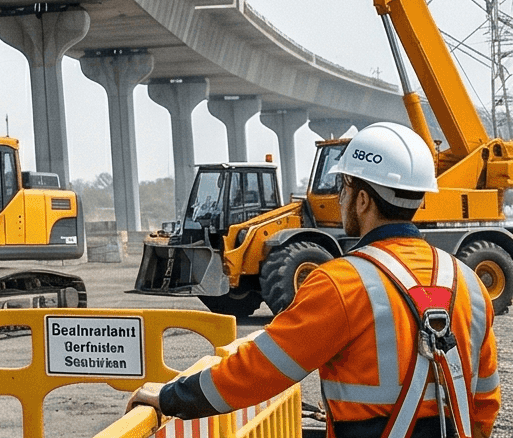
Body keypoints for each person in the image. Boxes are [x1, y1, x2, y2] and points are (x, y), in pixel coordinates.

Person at [128, 122, 498, 438]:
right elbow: (484, 403)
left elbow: (258, 372)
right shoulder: (469, 283)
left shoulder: (341, 283)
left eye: (344, 188)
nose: (340, 198)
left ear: (363, 200)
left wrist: (170, 397)